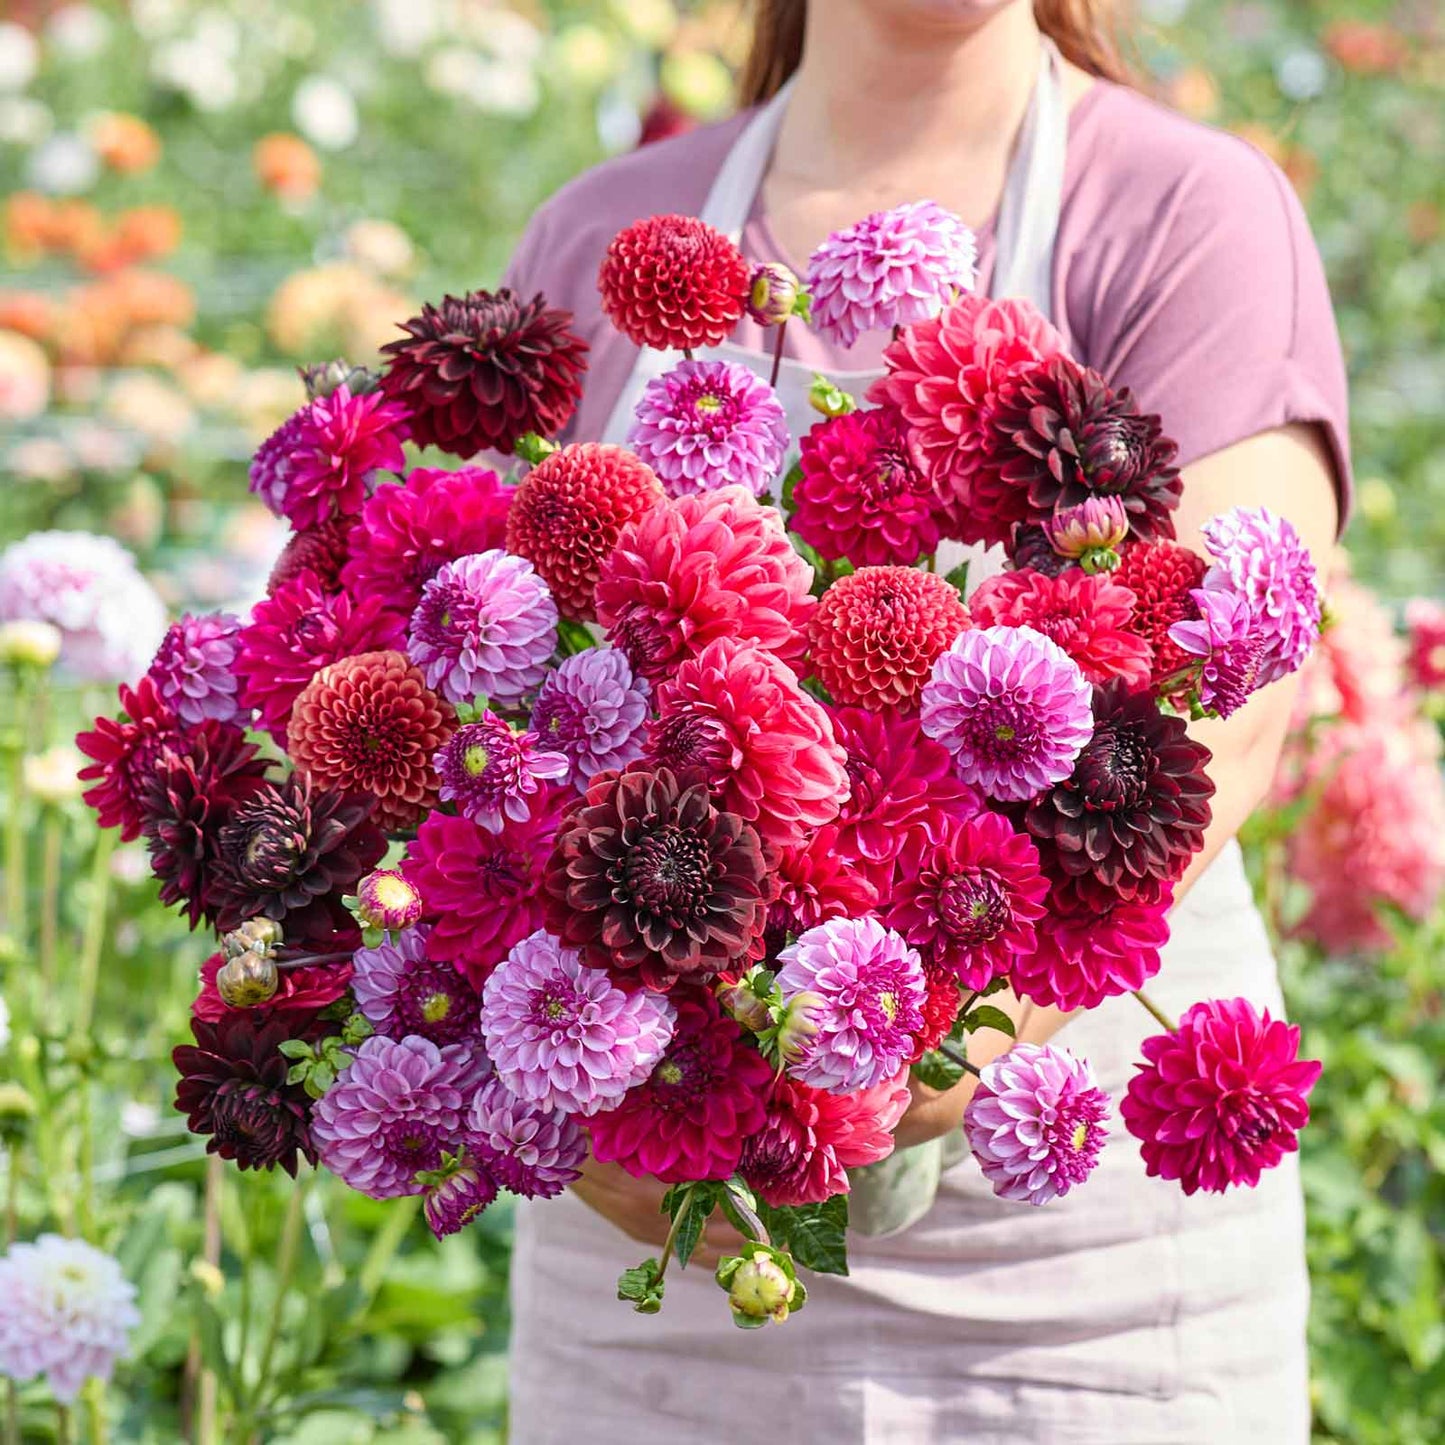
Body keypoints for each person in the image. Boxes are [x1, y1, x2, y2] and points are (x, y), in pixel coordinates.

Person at [498, 2, 1349, 1440]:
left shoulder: (1184, 209)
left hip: (1064, 1282)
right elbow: (458, 677)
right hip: (650, 1267)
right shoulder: (606, 233)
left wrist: (907, 1043)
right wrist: (562, 1096)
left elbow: (1230, 704)